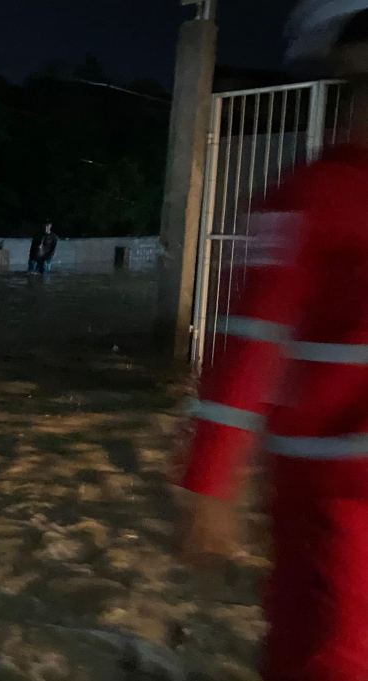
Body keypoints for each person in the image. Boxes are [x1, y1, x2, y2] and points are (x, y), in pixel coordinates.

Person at [179, 6, 368, 680]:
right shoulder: (309, 199)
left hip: (328, 497)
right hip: (331, 502)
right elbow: (251, 342)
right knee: (327, 650)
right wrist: (211, 480)